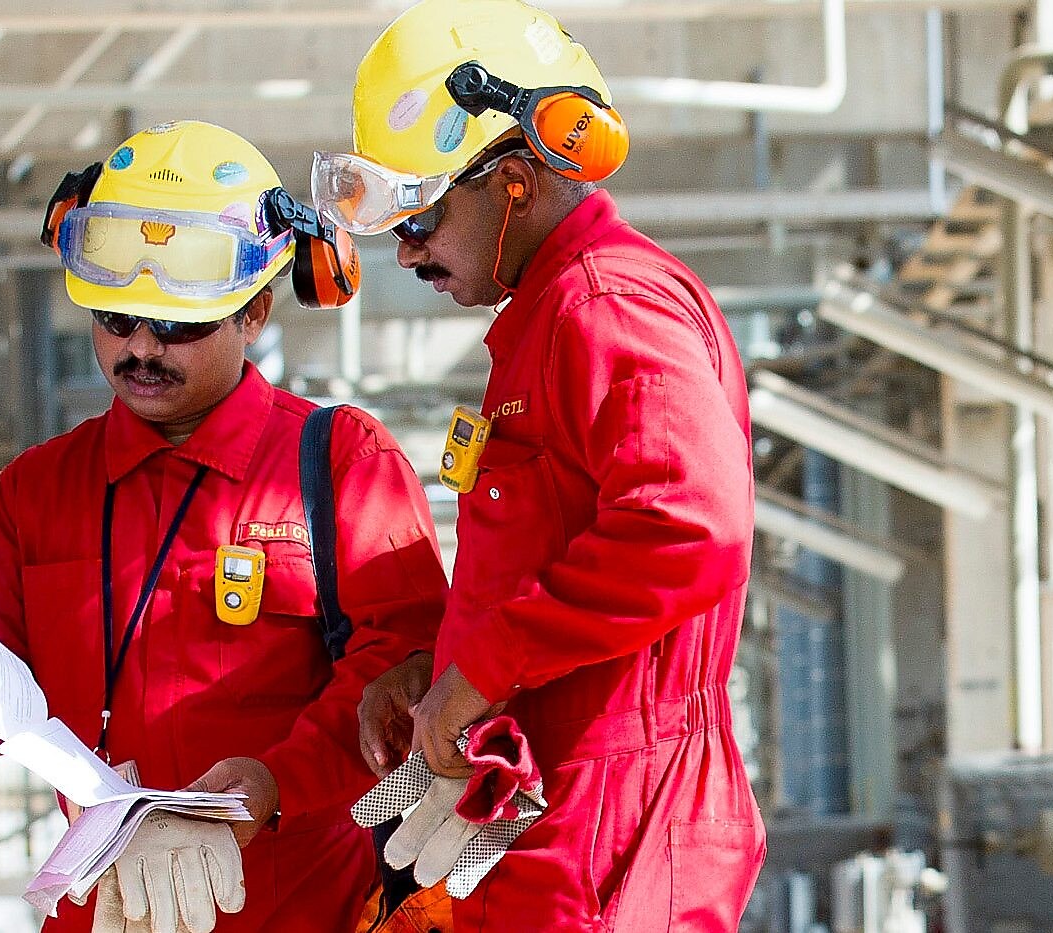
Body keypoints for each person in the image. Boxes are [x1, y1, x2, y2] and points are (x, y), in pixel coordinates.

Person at [0, 121, 444, 933]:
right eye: (117, 320)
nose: (143, 348)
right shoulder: (38, 493)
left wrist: (265, 787)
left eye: (180, 325)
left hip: (307, 912)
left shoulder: (338, 462)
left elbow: (401, 677)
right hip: (111, 912)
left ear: (256, 310)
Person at [312, 0, 763, 928]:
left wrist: (479, 672)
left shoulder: (601, 307)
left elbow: (687, 526)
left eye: (424, 215)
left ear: (513, 180)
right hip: (570, 820)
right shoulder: (554, 320)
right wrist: (441, 664)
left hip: (612, 831)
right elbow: (558, 552)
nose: (407, 250)